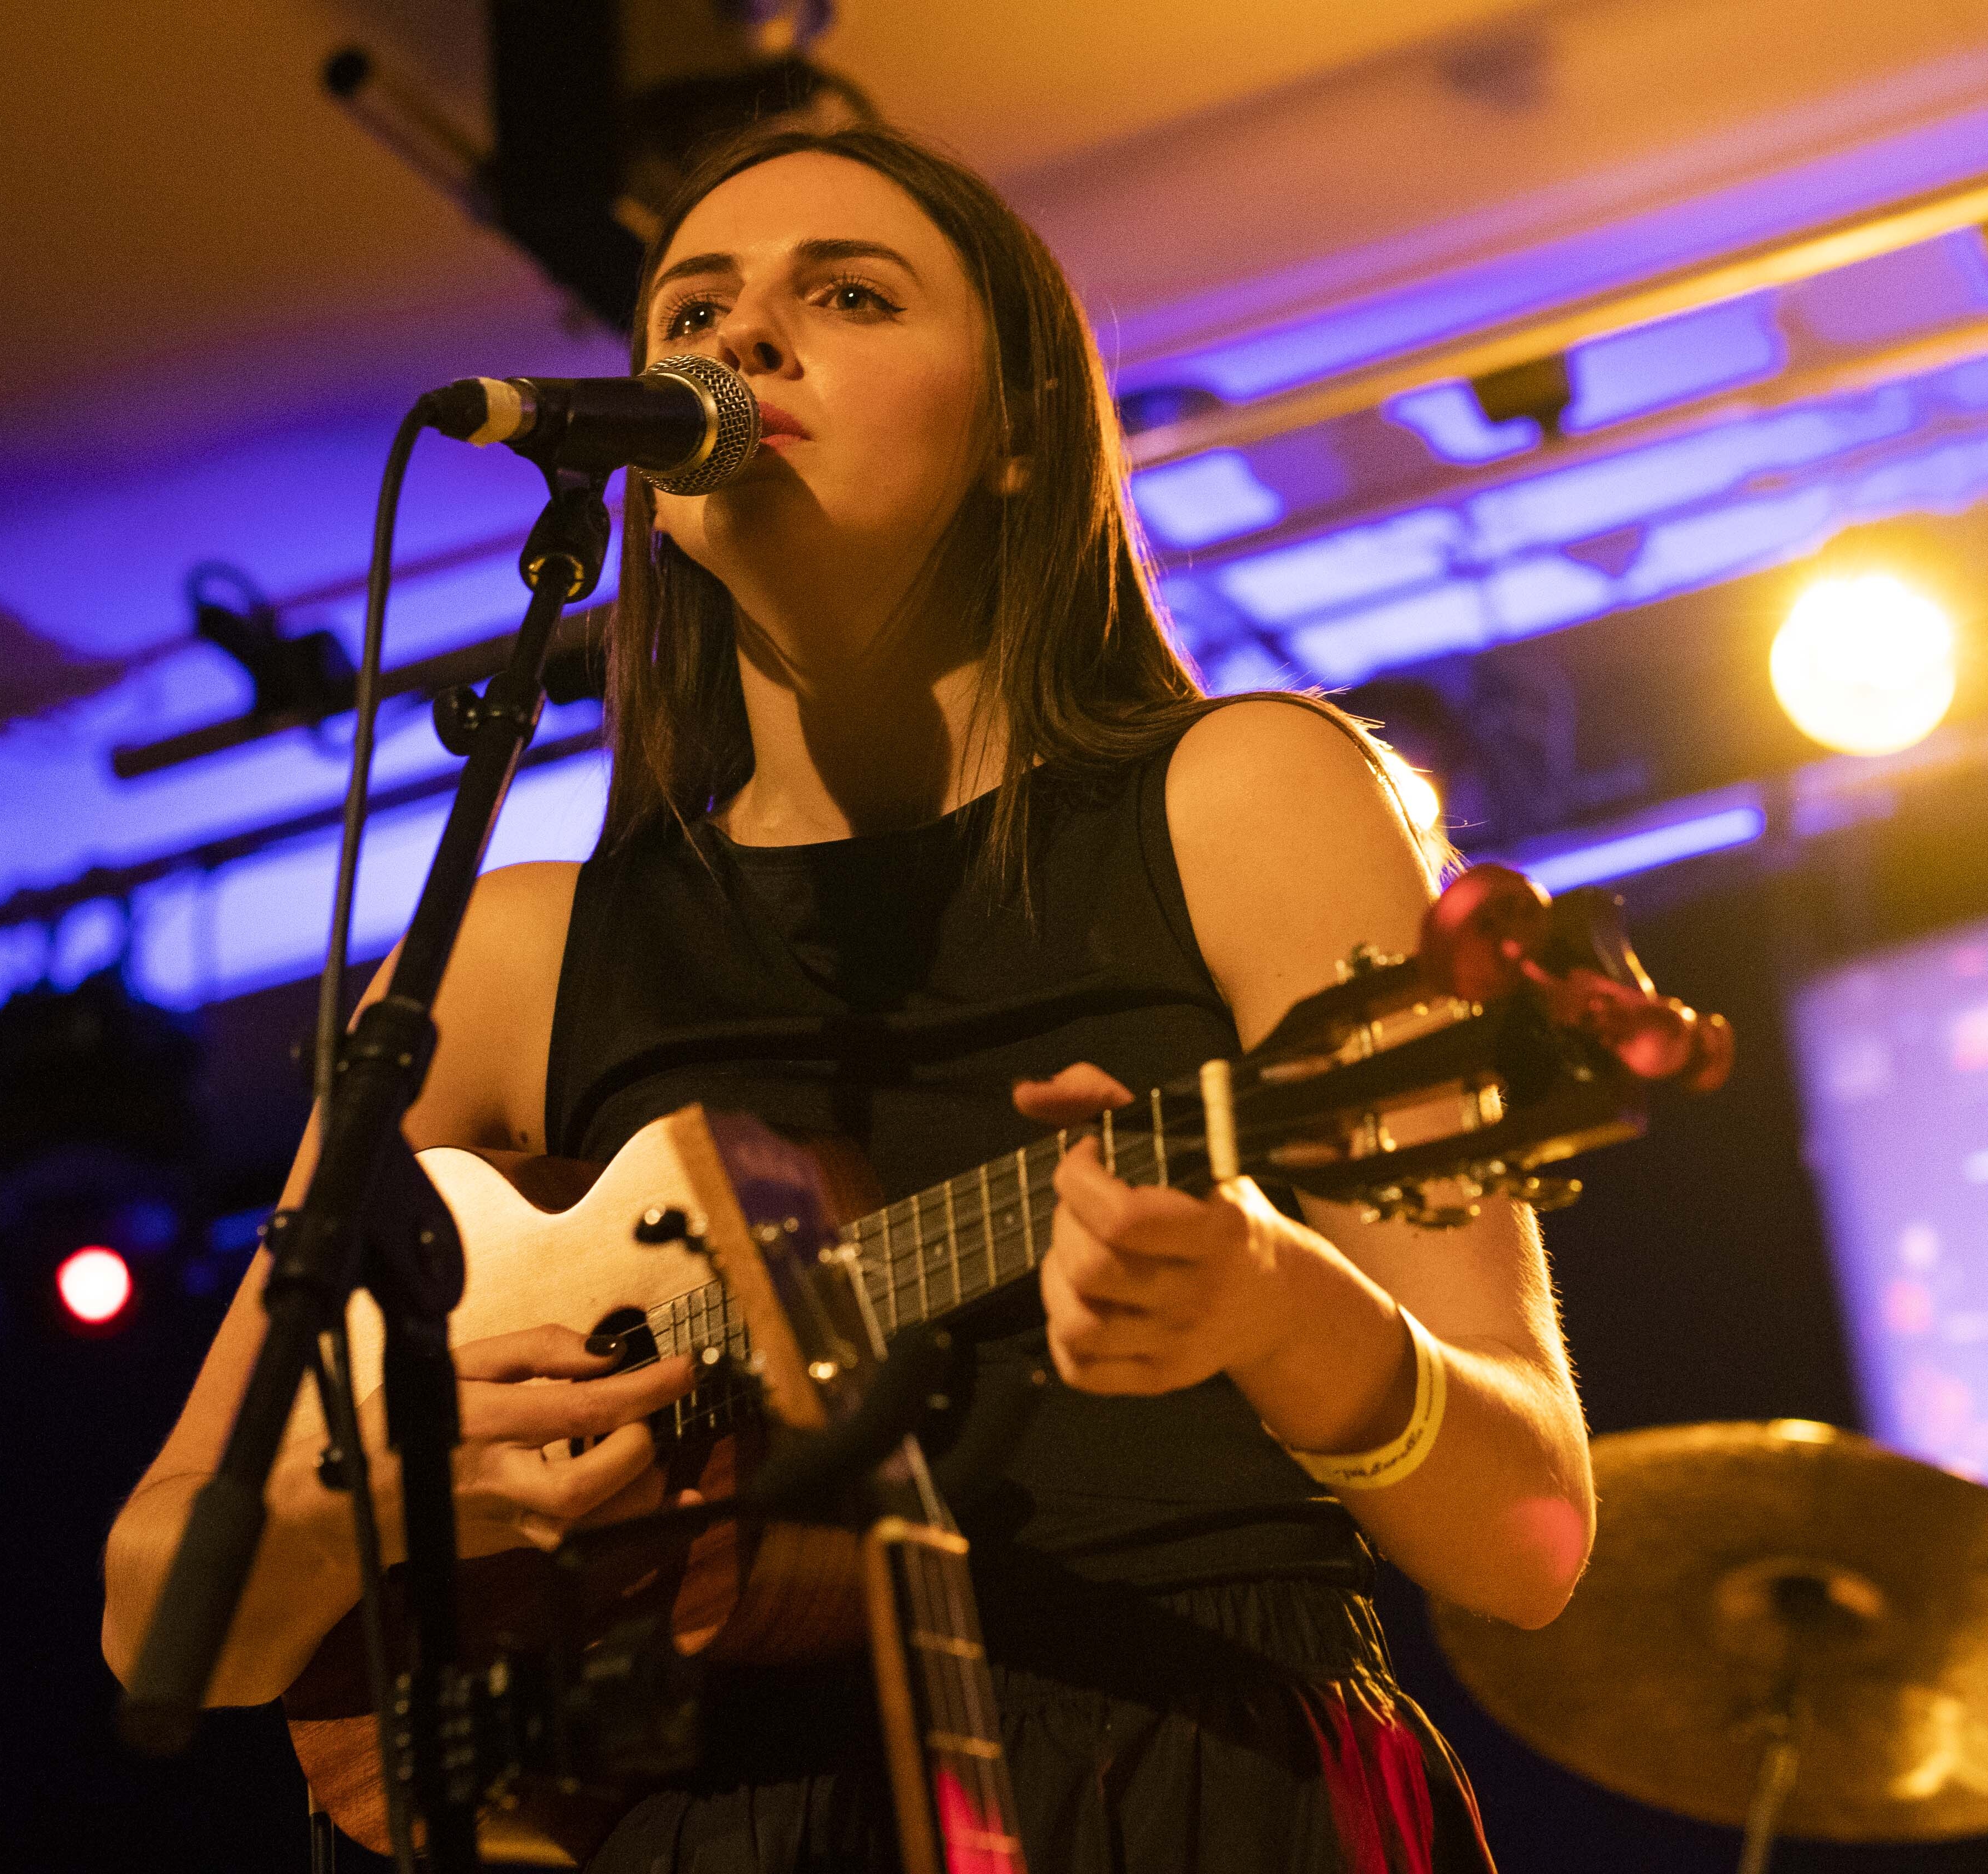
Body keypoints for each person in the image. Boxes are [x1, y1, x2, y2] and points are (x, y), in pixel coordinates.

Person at [98, 121, 1599, 1872]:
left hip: (1185, 1788)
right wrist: (388, 1495)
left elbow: (1530, 1537)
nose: (741, 337)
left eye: (850, 296)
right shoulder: (517, 954)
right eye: (692, 311)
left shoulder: (1248, 796)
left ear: (1021, 434)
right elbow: (154, 1607)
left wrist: (1280, 1309)